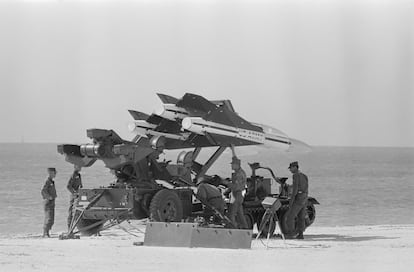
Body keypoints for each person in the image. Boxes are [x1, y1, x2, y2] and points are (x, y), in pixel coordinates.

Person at [223, 147, 248, 229]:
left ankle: (234, 229)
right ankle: (246, 229)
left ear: (237, 165)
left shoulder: (239, 174)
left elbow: (236, 187)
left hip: (237, 195)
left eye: (232, 164)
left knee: (231, 214)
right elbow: (235, 158)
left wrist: (226, 183)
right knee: (240, 215)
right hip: (237, 195)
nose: (231, 166)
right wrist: (232, 149)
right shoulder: (239, 172)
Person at [285, 161, 309, 239]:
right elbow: (306, 188)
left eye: (291, 168)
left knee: (290, 217)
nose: (290, 170)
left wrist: (291, 201)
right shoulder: (304, 176)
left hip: (298, 198)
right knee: (300, 217)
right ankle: (300, 234)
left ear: (295, 167)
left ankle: (291, 234)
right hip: (304, 197)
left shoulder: (296, 176)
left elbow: (295, 190)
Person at [41, 167, 57, 238]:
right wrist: (49, 197)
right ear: (50, 173)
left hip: (52, 201)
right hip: (48, 202)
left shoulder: (51, 181)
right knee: (49, 218)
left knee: (51, 219)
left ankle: (47, 232)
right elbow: (43, 191)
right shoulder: (47, 181)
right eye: (54, 173)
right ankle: (45, 233)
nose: (55, 174)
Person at [67, 165, 83, 230]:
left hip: (79, 196)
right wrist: (74, 193)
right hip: (74, 196)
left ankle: (79, 227)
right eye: (79, 166)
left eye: (80, 166)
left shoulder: (79, 175)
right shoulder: (73, 175)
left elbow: (80, 185)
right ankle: (69, 228)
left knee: (79, 211)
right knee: (71, 212)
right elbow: (68, 186)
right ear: (75, 167)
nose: (80, 168)